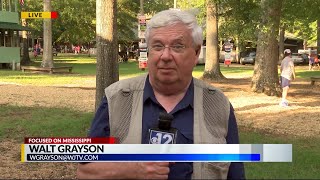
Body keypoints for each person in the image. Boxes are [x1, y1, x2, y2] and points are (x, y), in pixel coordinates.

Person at [77, 10, 245, 179]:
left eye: (177, 46)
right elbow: (85, 171)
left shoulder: (218, 105)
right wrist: (134, 170)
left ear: (196, 53)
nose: (165, 56)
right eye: (157, 46)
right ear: (149, 52)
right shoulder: (117, 100)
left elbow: (235, 174)